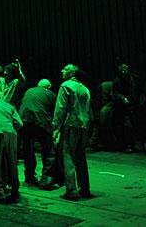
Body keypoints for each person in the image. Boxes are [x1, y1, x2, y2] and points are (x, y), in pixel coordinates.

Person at [52, 63, 92, 201]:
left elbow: (60, 108)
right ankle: (85, 188)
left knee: (68, 156)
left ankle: (71, 190)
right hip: (83, 126)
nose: (62, 70)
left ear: (72, 73)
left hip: (71, 124)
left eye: (66, 69)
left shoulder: (66, 85)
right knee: (81, 157)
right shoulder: (85, 89)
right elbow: (89, 110)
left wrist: (56, 127)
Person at [19, 79, 57, 189]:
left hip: (24, 121)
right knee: (48, 150)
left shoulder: (29, 90)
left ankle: (29, 176)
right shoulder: (50, 94)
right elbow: (55, 111)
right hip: (41, 122)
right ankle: (46, 179)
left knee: (28, 150)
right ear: (48, 87)